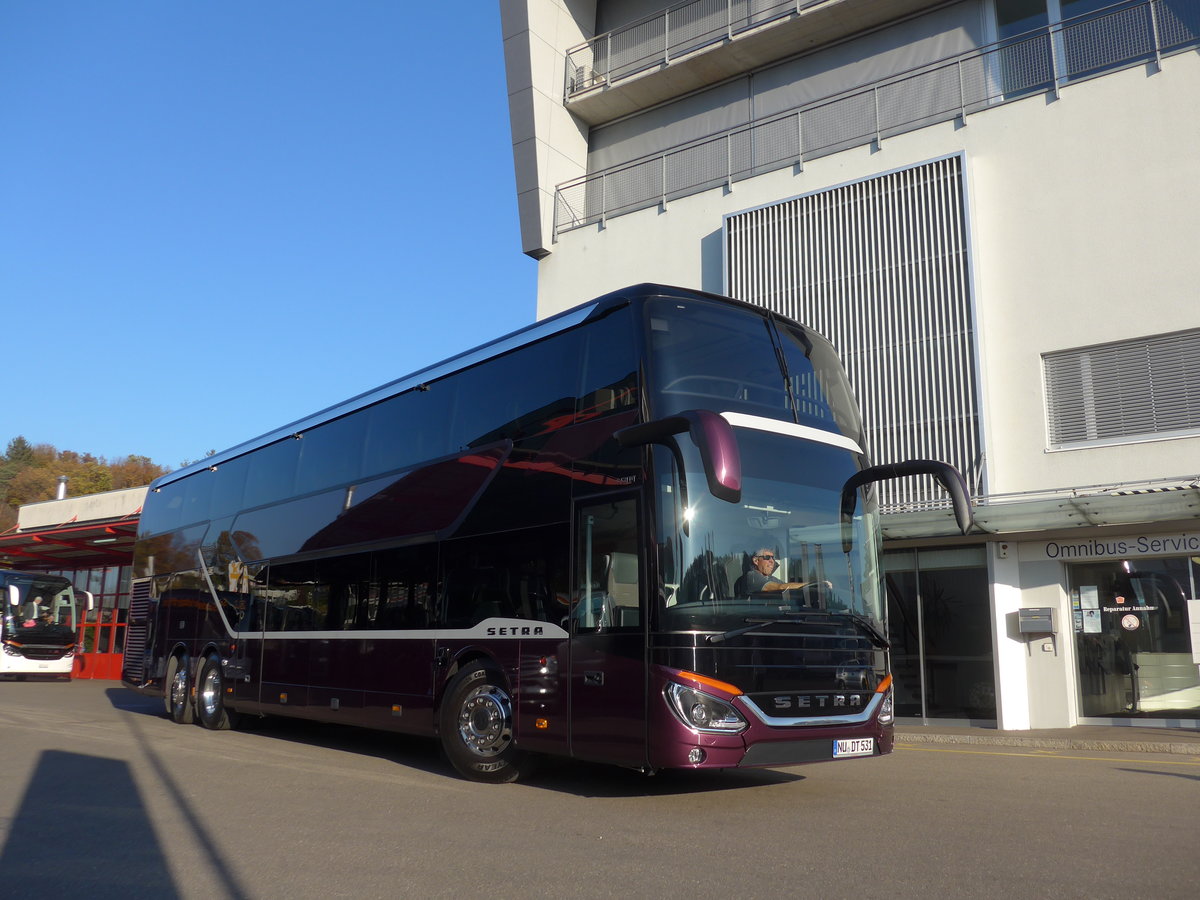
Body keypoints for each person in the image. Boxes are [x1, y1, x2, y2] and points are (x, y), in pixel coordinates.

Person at [735, 548, 831, 596]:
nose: (772, 561)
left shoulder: (771, 579)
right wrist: (814, 584)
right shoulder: (752, 577)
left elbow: (788, 587)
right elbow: (780, 587)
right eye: (767, 558)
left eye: (773, 558)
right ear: (756, 561)